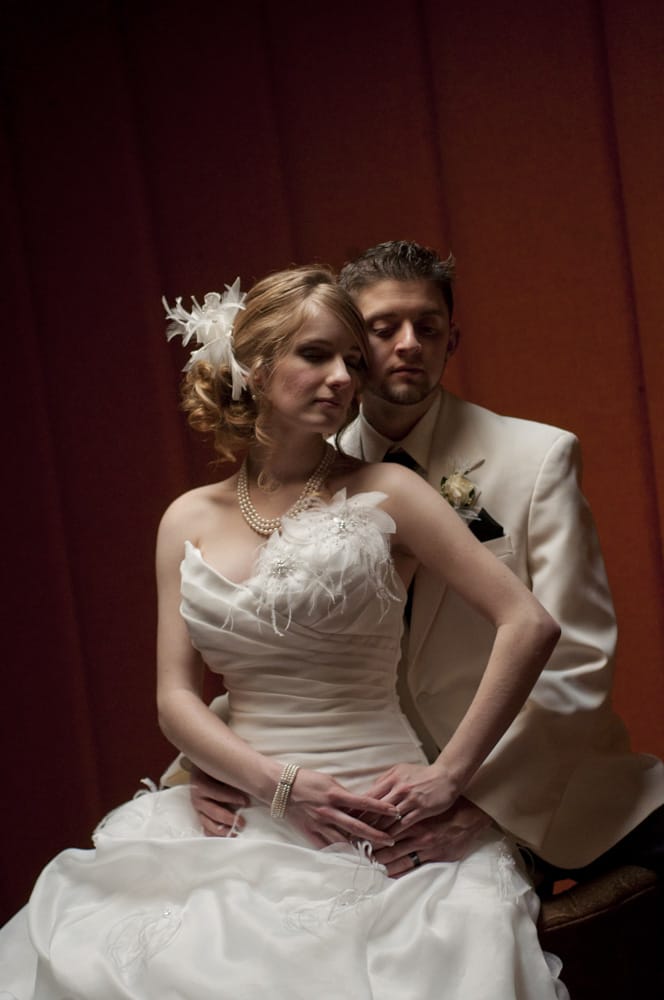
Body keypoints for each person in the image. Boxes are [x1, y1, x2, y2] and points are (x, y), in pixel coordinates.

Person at [0, 266, 566, 998]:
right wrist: (277, 786)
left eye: (352, 362)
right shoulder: (187, 518)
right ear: (255, 367)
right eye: (316, 354)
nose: (342, 378)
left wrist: (450, 775)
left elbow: (529, 621)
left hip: (379, 824)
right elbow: (175, 699)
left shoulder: (389, 490)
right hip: (240, 813)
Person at [182, 241, 664, 886]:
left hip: (533, 791)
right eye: (382, 330)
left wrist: (480, 802)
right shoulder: (301, 469)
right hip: (360, 795)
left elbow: (574, 657)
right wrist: (205, 765)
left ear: (451, 341)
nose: (408, 343)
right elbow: (276, 643)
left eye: (428, 327)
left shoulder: (538, 457)